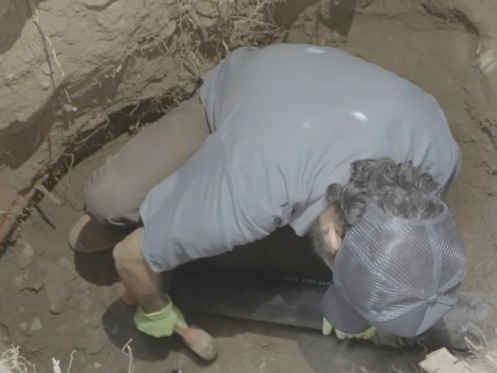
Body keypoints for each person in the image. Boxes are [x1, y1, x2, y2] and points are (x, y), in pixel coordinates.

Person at [69, 43, 466, 359]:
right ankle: (133, 216)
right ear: (331, 237)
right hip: (245, 92)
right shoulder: (252, 193)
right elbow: (129, 258)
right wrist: (154, 307)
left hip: (322, 93)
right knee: (110, 201)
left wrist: (371, 287)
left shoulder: (438, 155)